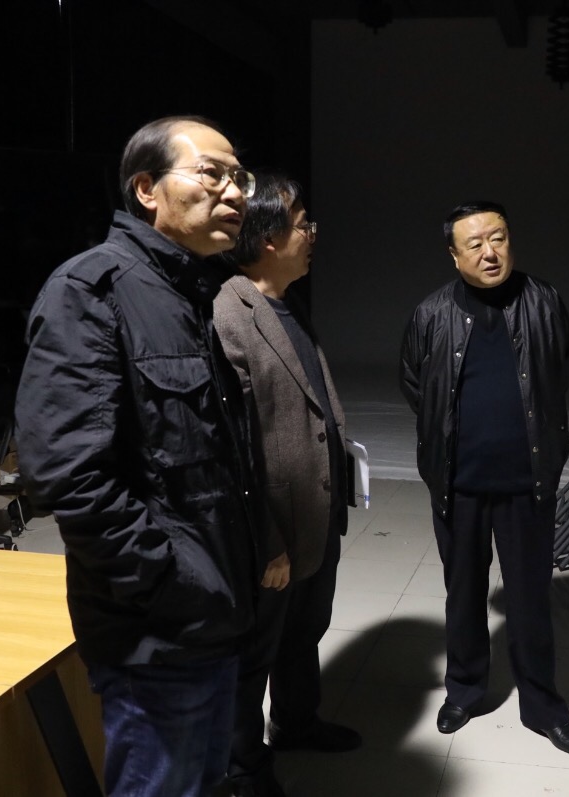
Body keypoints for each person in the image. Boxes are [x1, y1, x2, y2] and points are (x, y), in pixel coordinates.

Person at [16, 116, 284, 797]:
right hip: (160, 633)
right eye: (212, 173)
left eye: (240, 178)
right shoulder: (92, 291)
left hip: (212, 616)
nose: (235, 193)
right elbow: (69, 475)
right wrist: (173, 587)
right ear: (146, 189)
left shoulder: (189, 292)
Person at [399, 200, 569, 758]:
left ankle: (543, 707)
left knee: (530, 599)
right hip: (457, 482)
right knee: (462, 594)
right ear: (454, 254)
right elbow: (415, 383)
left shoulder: (544, 302)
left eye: (499, 238)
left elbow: (559, 370)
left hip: (527, 481)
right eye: (475, 243)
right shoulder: (431, 313)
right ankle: (464, 690)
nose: (490, 252)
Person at [213, 174, 360, 796]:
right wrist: (267, 541)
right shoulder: (230, 314)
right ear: (269, 238)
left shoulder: (287, 303)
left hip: (315, 515)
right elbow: (238, 446)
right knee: (255, 654)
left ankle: (297, 722)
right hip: (275, 528)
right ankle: (244, 768)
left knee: (305, 632)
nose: (312, 235)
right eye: (304, 225)